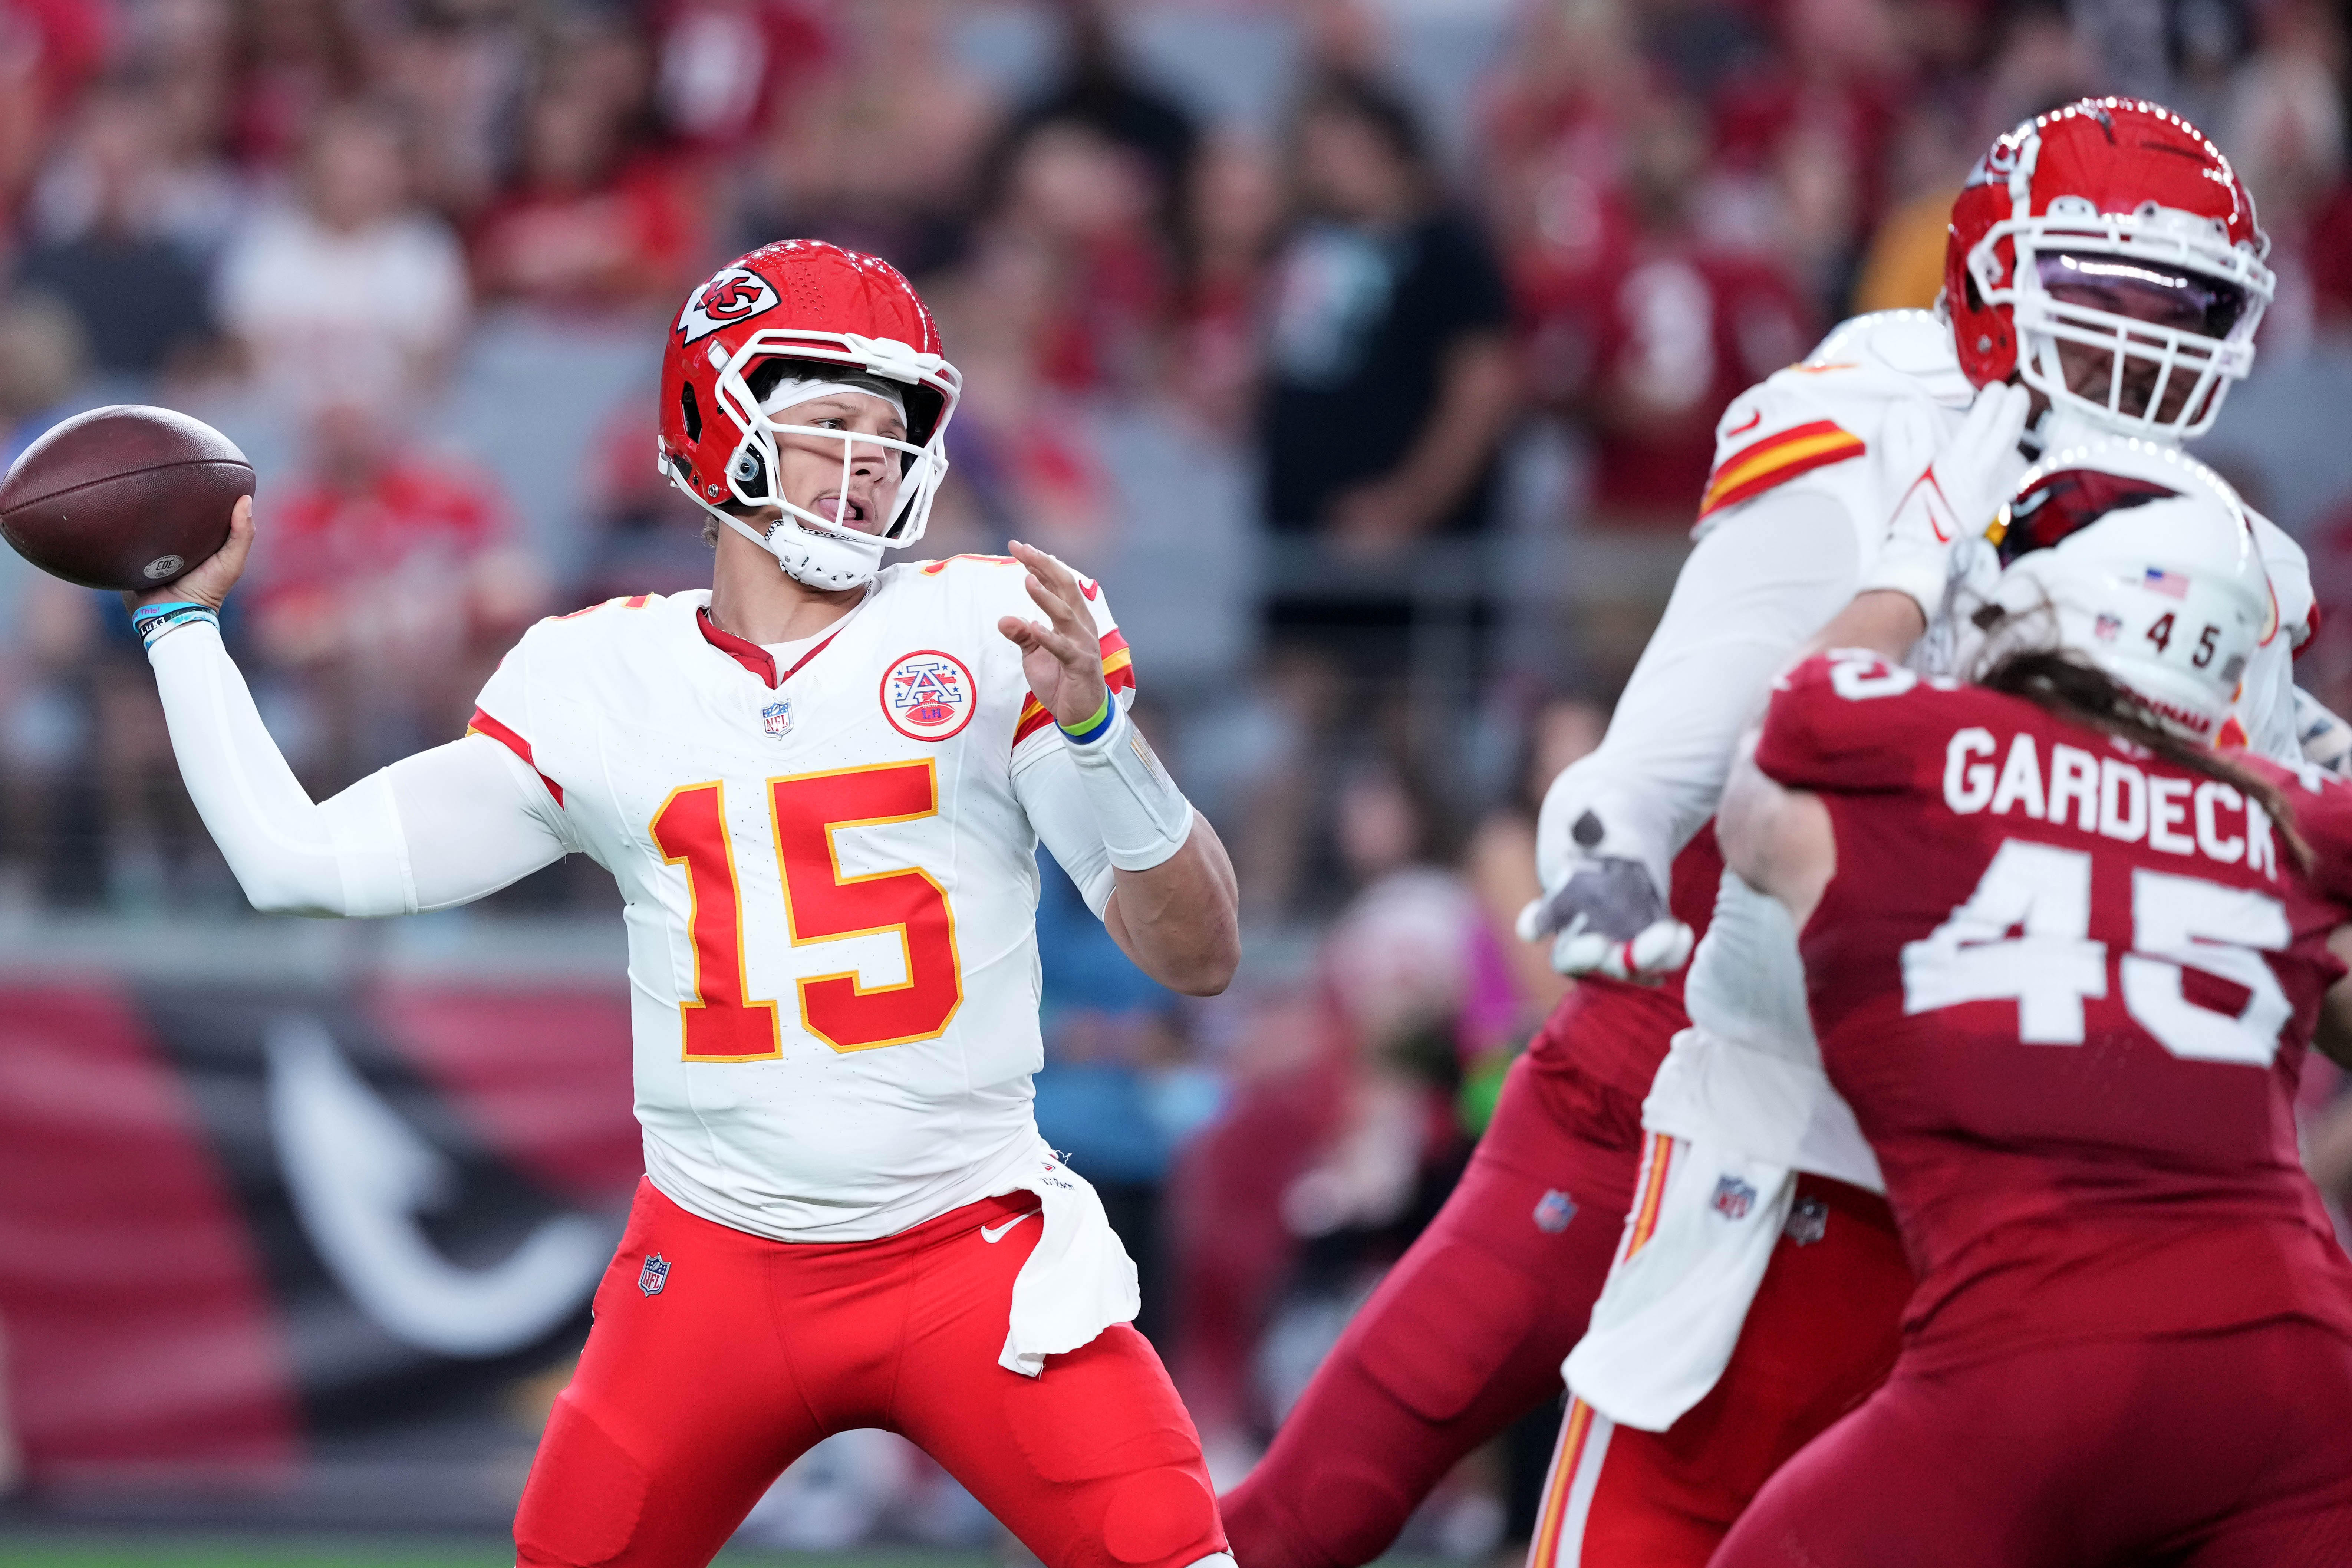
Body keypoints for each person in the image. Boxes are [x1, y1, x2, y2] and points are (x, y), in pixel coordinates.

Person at [1219, 97, 2322, 1568]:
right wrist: (1606, 850)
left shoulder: (2219, 549)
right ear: (1996, 271)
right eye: (2103, 288)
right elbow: (1679, 752)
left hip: (1929, 1174)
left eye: (2183, 305)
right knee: (1321, 1499)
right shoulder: (1882, 419)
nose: (2143, 338)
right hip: (1672, 1060)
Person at [124, 239, 1243, 1568]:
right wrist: (181, 631)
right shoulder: (602, 675)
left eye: (894, 434)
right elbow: (296, 861)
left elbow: (1200, 953)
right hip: (718, 1264)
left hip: (972, 1245)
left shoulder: (992, 629)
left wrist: (1105, 740)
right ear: (722, 418)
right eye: (837, 422)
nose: (873, 462)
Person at [1709, 441, 2352, 1565]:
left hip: (2028, 1364)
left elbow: (1757, 791)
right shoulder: (2286, 814)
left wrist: (1908, 573)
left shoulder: (1919, 753)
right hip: (2299, 1370)